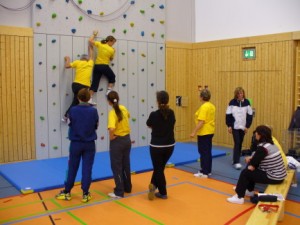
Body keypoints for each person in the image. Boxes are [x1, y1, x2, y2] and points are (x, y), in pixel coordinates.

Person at [56, 88, 99, 203]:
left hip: (75, 143)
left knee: (72, 167)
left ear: (78, 98)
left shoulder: (73, 110)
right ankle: (85, 193)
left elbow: (70, 124)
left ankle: (67, 192)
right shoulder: (93, 111)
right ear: (89, 98)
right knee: (87, 168)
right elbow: (96, 125)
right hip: (89, 144)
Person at [227, 125, 287, 204]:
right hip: (279, 175)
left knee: (245, 173)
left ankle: (239, 197)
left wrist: (251, 163)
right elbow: (257, 158)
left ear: (260, 135)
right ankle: (249, 190)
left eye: (257, 133)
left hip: (275, 177)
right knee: (250, 169)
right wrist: (252, 162)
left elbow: (254, 163)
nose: (255, 134)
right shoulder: (271, 144)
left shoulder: (263, 147)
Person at [147, 91, 176, 200]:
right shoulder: (172, 113)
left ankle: (163, 192)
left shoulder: (154, 114)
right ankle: (153, 185)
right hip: (170, 146)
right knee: (160, 168)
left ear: (158, 101)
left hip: (156, 147)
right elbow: (171, 123)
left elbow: (149, 124)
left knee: (158, 169)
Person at [107, 91, 132, 198]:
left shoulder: (112, 113)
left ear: (109, 102)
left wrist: (111, 137)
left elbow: (112, 128)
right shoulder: (123, 108)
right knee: (125, 164)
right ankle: (127, 187)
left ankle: (119, 191)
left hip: (118, 141)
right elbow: (128, 116)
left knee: (116, 166)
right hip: (127, 140)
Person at [63, 44, 94, 122]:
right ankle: (66, 116)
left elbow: (67, 66)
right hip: (83, 86)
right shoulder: (90, 63)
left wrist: (68, 59)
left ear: (81, 59)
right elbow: (91, 55)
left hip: (75, 85)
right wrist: (90, 47)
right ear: (87, 59)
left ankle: (68, 116)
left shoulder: (77, 62)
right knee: (77, 102)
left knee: (76, 101)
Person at [190, 88, 216, 178]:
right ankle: (207, 170)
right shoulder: (212, 106)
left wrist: (194, 131)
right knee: (207, 151)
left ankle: (204, 172)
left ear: (201, 97)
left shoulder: (204, 107)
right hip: (210, 131)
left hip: (204, 132)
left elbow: (201, 121)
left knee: (203, 152)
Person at [226, 87, 253, 170]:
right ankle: (236, 162)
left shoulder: (247, 102)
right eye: (238, 93)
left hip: (243, 127)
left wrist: (247, 126)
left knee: (240, 143)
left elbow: (250, 115)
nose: (240, 95)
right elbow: (228, 115)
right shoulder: (232, 102)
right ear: (236, 94)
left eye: (241, 93)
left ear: (243, 94)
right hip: (235, 127)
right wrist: (229, 126)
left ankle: (235, 158)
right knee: (237, 142)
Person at [89, 30, 117, 104]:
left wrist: (94, 34)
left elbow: (90, 41)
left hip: (97, 66)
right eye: (113, 42)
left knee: (95, 83)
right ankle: (108, 91)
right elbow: (111, 59)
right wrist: (114, 51)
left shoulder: (100, 44)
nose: (113, 44)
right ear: (110, 41)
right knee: (112, 77)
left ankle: (90, 98)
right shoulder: (111, 50)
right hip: (104, 66)